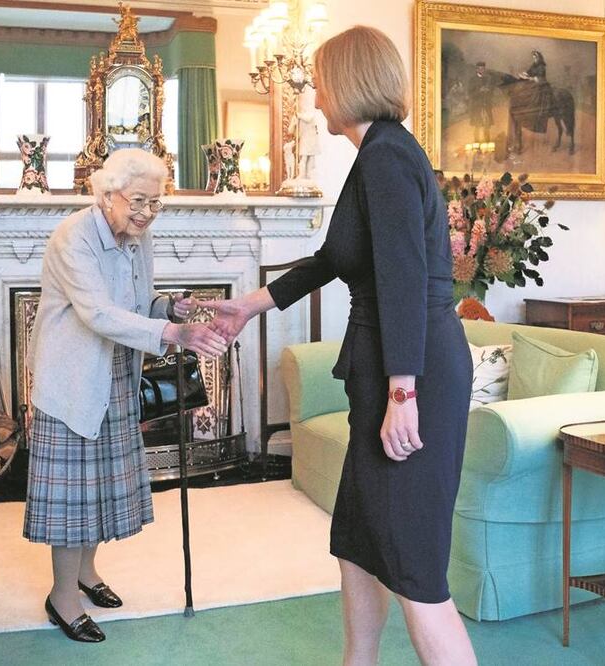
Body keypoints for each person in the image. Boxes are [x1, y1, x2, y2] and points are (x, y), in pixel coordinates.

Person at [207, 26, 476, 665]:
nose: (316, 95)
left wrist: (403, 393)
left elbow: (405, 279)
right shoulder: (377, 153)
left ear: (350, 83)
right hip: (388, 370)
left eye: (322, 82)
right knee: (358, 541)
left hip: (412, 373)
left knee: (414, 567)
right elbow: (335, 257)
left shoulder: (386, 157)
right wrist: (251, 304)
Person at [23, 148, 227, 643]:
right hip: (72, 377)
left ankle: (86, 574)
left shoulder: (138, 238)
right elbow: (96, 312)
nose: (146, 212)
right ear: (107, 194)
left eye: (155, 203)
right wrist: (172, 334)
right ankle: (62, 597)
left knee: (99, 485)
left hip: (115, 371)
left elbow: (135, 302)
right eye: (138, 201)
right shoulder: (73, 237)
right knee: (73, 495)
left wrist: (169, 307)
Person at [516, 50, 553, 133]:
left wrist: (530, 78)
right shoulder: (534, 65)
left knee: (535, 95)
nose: (534, 59)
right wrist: (524, 74)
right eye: (533, 58)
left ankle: (535, 112)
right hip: (533, 82)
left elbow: (540, 77)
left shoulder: (541, 66)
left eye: (535, 57)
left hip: (541, 84)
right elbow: (529, 72)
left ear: (539, 58)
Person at [467, 61, 495, 143]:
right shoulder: (472, 80)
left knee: (487, 125)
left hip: (486, 105)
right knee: (477, 125)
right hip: (477, 106)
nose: (481, 70)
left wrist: (488, 91)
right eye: (479, 68)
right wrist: (479, 90)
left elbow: (492, 91)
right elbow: (470, 93)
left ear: (484, 69)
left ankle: (487, 142)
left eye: (483, 68)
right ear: (476, 69)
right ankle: (477, 142)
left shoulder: (488, 79)